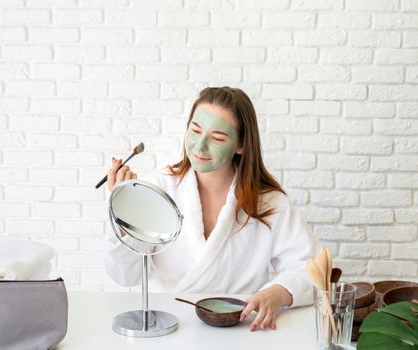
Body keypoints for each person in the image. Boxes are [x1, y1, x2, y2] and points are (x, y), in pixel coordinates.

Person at [104, 87, 318, 331]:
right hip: (167, 328)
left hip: (241, 331)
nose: (200, 146)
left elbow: (312, 270)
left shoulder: (269, 203)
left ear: (242, 145)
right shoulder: (157, 189)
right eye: (195, 130)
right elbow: (125, 276)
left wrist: (278, 292)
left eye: (217, 138)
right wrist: (121, 216)